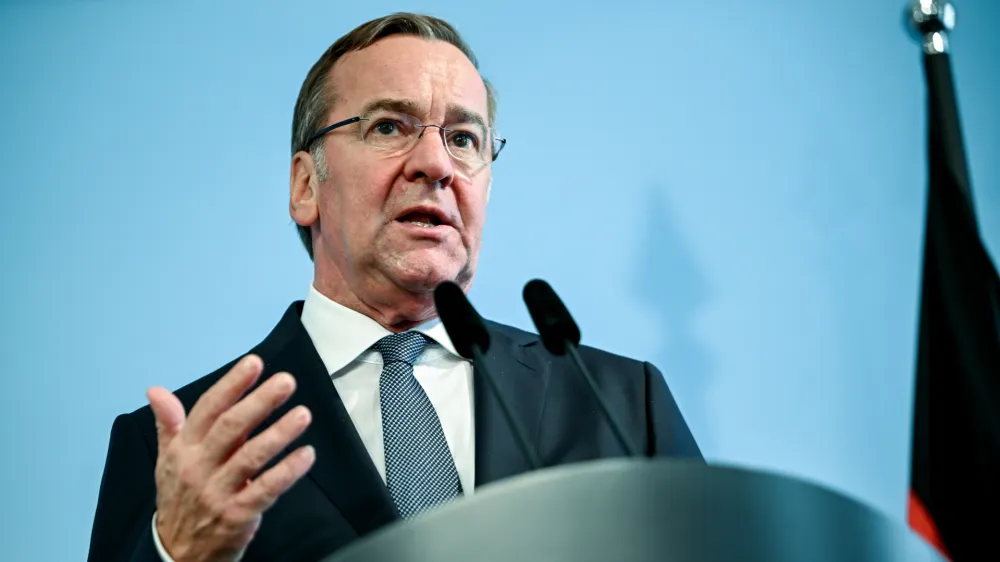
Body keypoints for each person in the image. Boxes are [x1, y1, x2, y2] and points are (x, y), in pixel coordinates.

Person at [87, 12, 702, 562]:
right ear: (305, 186)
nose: (435, 165)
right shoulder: (184, 445)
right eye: (388, 127)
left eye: (463, 139)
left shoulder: (620, 405)